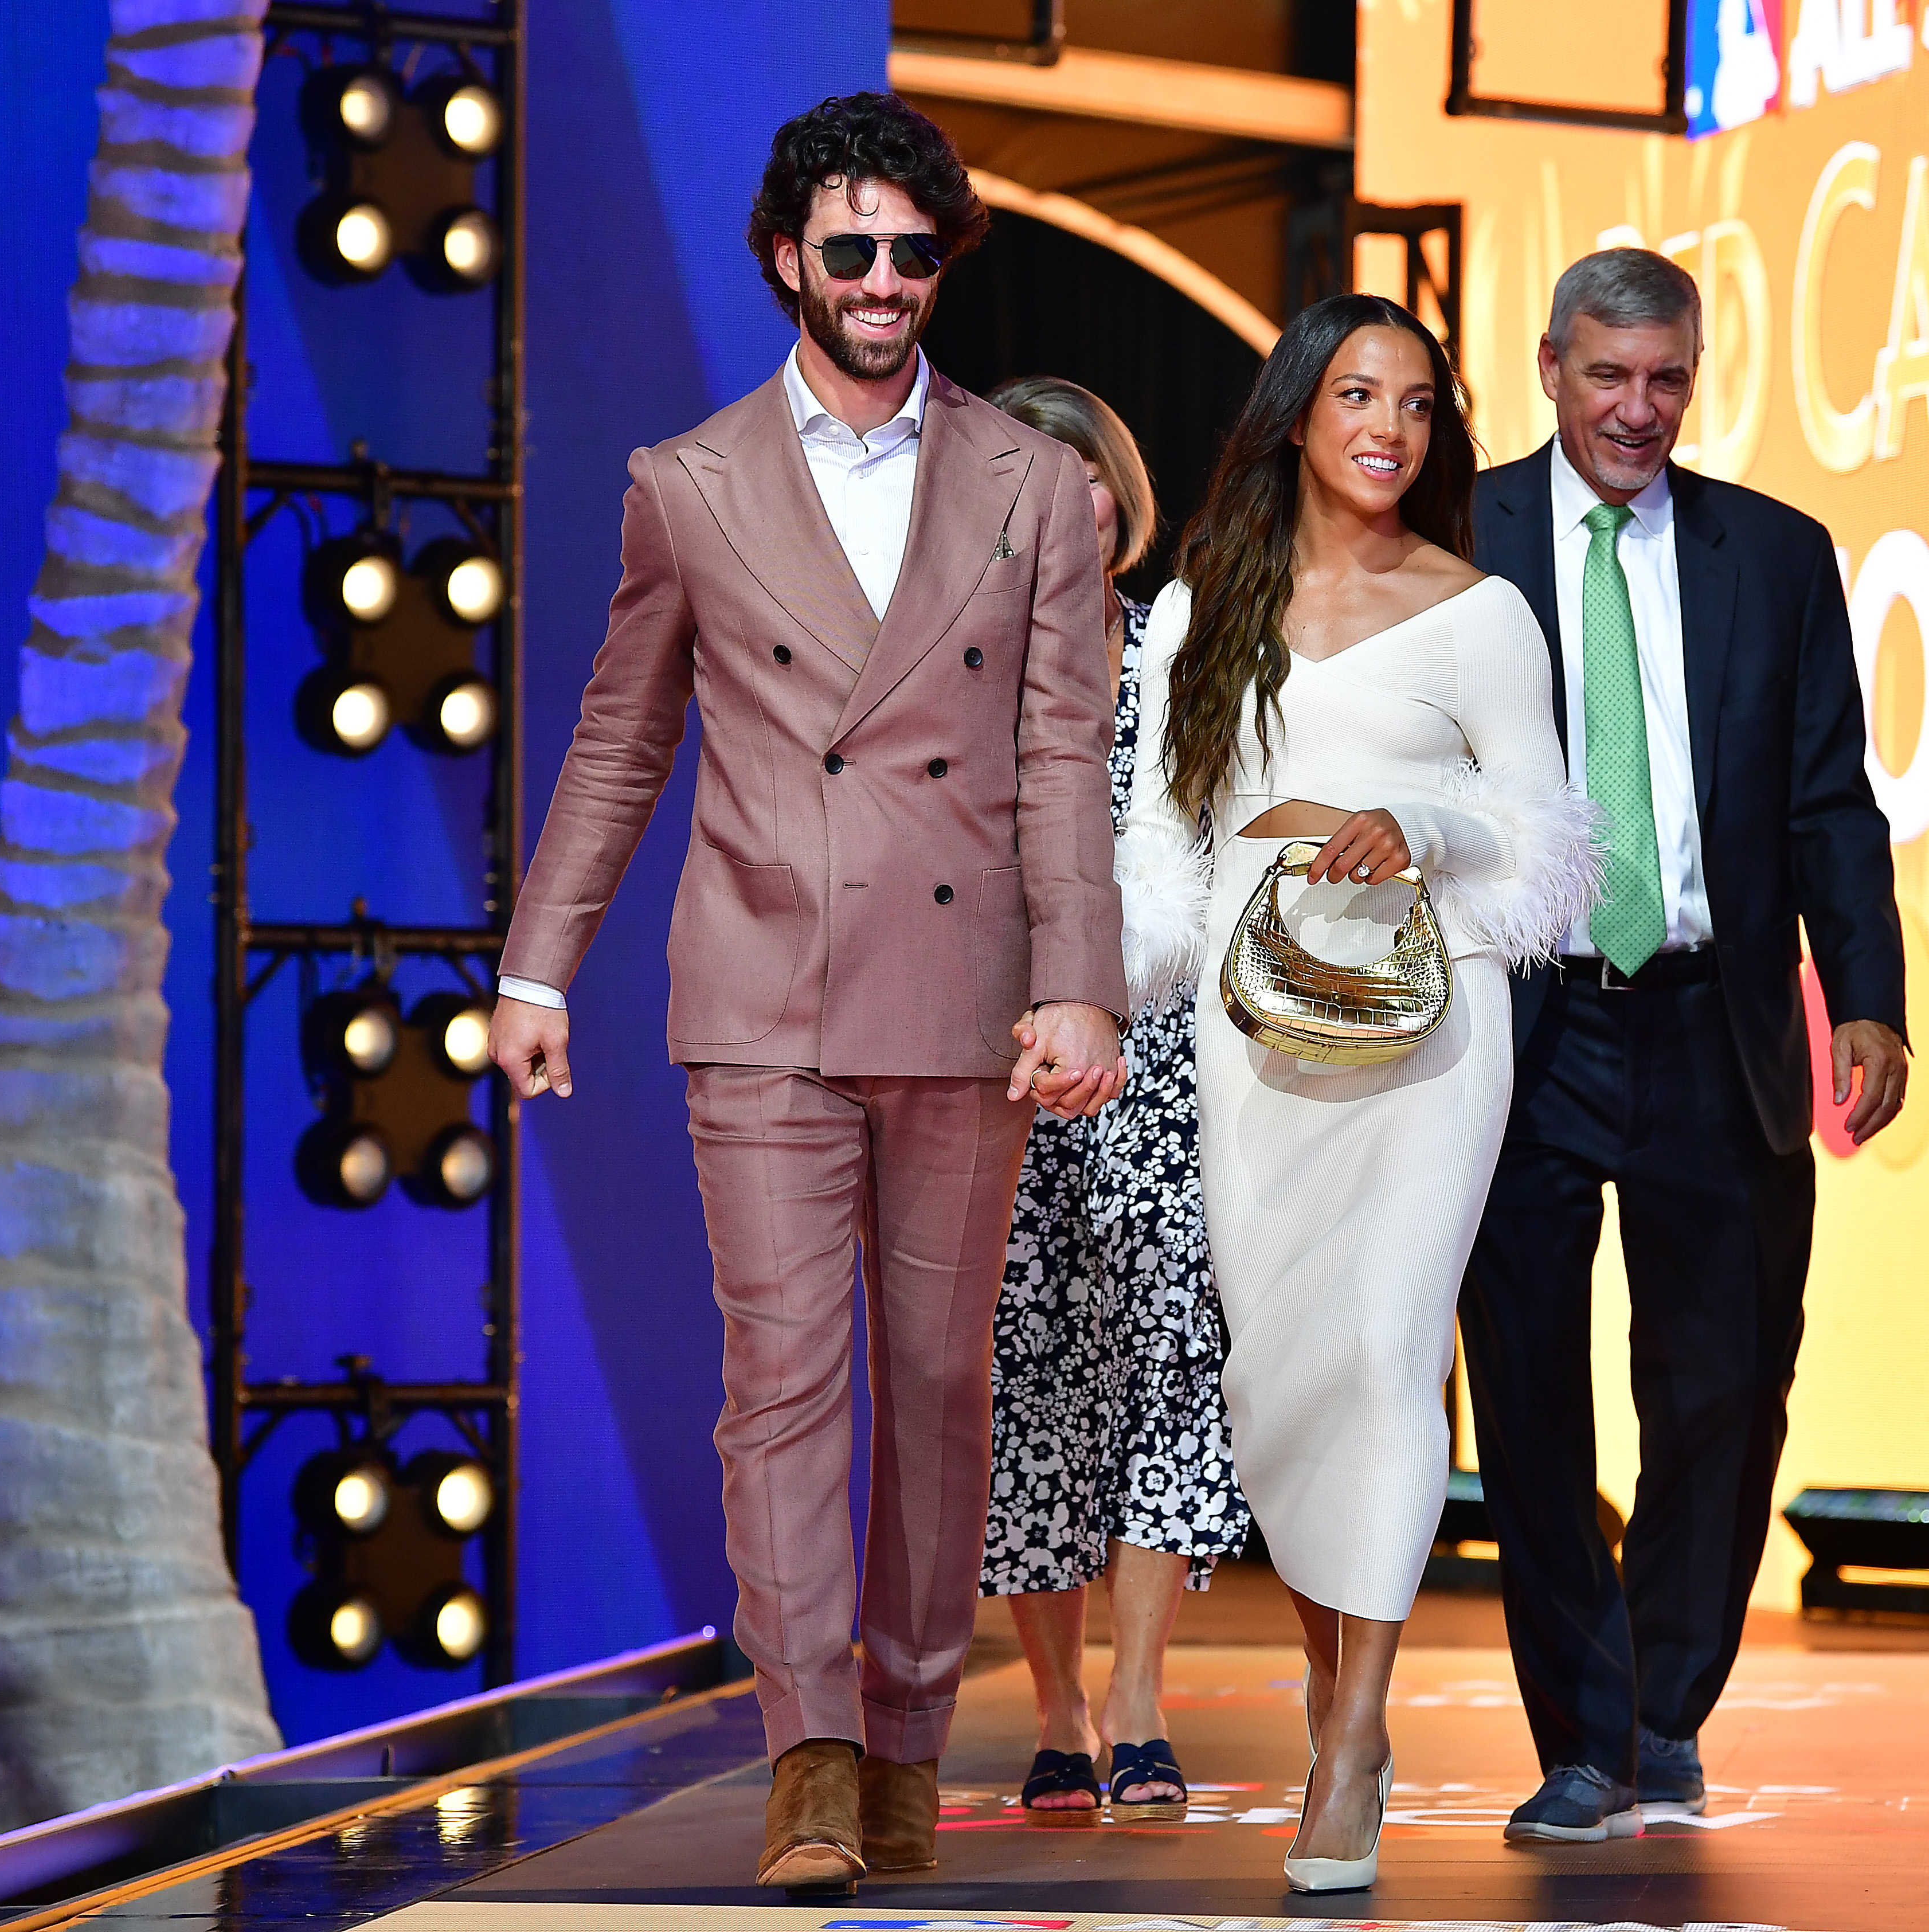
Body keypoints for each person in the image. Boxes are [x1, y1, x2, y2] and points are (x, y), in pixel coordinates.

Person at [485, 94, 1132, 1896]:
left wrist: (1079, 984)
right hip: (761, 992)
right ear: (788, 258)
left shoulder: (1032, 486)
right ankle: (813, 1754)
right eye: (849, 249)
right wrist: (541, 964)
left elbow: (1063, 752)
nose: (882, 282)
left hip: (964, 998)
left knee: (935, 1386)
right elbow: (621, 741)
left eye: (915, 253)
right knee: (781, 1381)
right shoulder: (685, 485)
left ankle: (916, 1728)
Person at [1120, 294, 1600, 1892]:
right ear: (1297, 416)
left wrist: (1425, 823)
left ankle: (1356, 1736)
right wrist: (1080, 996)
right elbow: (1161, 855)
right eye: (1356, 394)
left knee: (1390, 1358)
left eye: (1414, 400)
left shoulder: (1482, 615)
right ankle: (1339, 1682)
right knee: (1284, 1387)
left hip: (1431, 1034)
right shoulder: (1203, 613)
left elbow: (1554, 858)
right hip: (1252, 1039)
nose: (1388, 425)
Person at [1457, 247, 1908, 1845]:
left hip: (1721, 1026)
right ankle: (1583, 1737)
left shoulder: (1775, 555)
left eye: (1668, 381)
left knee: (1722, 1388)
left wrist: (1866, 994)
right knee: (1527, 1396)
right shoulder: (1461, 535)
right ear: (1549, 366)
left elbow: (1829, 797)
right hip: (1523, 1025)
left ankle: (1660, 1703)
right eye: (1608, 377)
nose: (1638, 410)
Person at [978, 377, 1252, 1825]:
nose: (1065, 503)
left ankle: (1140, 1697)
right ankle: (1057, 1708)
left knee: (1168, 1367)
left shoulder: (1184, 650)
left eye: (1085, 478)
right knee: (1034, 1389)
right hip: (1005, 1072)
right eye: (1031, 476)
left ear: (1120, 496)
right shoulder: (955, 663)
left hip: (1160, 1063)